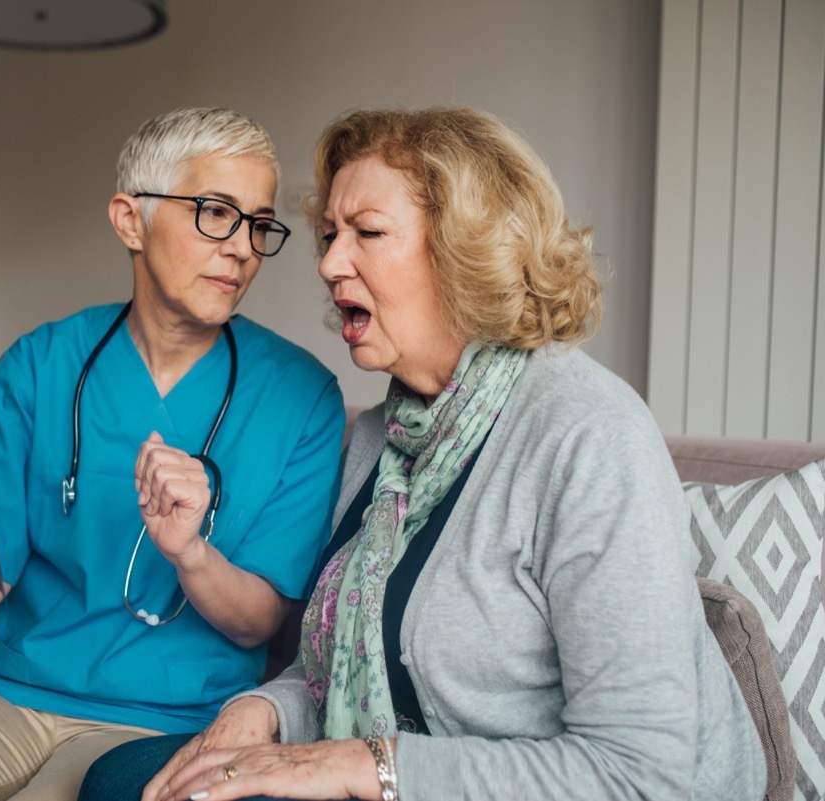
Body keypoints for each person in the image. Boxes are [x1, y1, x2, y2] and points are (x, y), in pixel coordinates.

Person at [78, 106, 767, 801]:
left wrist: (361, 763)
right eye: (328, 235)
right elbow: (335, 660)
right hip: (402, 776)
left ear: (467, 253)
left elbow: (640, 773)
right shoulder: (383, 434)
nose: (327, 263)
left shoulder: (590, 435)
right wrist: (260, 712)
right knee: (123, 778)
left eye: (367, 233)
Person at [0, 106, 346, 801]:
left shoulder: (302, 398)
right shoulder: (41, 365)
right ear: (129, 219)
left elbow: (261, 619)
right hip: (5, 694)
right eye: (215, 212)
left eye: (258, 224)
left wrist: (191, 554)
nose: (241, 247)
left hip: (165, 720)